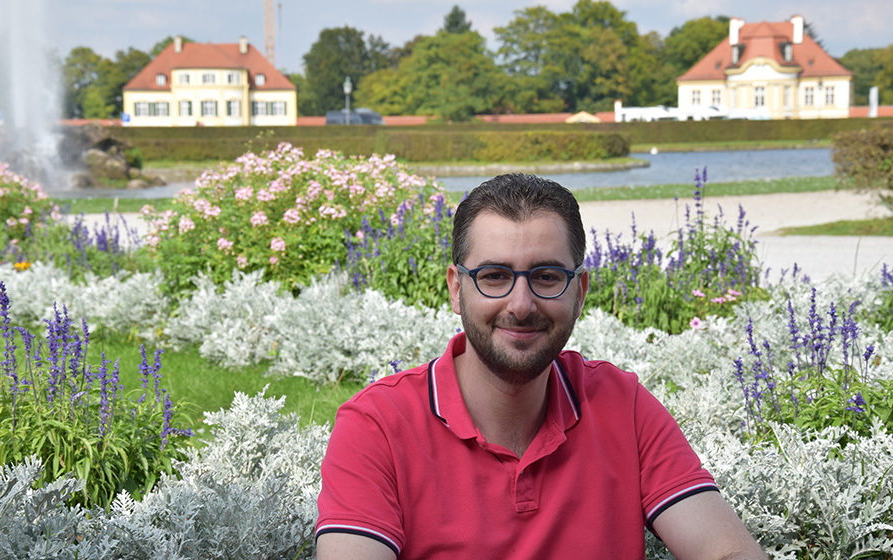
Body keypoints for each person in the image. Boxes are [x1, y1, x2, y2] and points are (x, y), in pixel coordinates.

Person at [315, 173, 767, 559]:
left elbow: (728, 550)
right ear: (456, 289)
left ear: (580, 290)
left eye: (547, 277)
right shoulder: (377, 425)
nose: (521, 304)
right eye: (494, 276)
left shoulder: (620, 404)